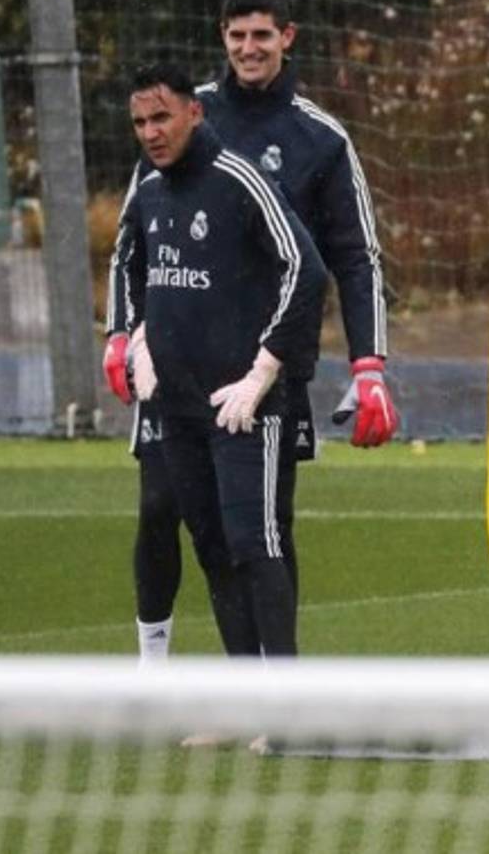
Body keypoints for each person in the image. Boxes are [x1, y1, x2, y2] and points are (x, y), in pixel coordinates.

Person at [103, 0, 397, 660]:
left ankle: (275, 685)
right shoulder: (176, 116)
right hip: (170, 366)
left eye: (262, 35)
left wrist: (369, 363)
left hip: (258, 373)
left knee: (262, 529)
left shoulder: (319, 139)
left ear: (287, 38)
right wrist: (123, 333)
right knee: (162, 510)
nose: (248, 48)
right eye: (236, 36)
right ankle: (159, 666)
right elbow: (131, 243)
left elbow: (350, 258)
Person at [118, 61, 327, 658]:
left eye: (162, 117)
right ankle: (244, 701)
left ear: (194, 112)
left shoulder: (240, 179)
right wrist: (139, 341)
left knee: (253, 543)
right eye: (139, 122)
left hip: (244, 407)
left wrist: (263, 371)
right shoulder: (150, 192)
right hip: (177, 407)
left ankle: (285, 709)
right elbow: (131, 268)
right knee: (208, 544)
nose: (152, 131)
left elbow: (305, 269)